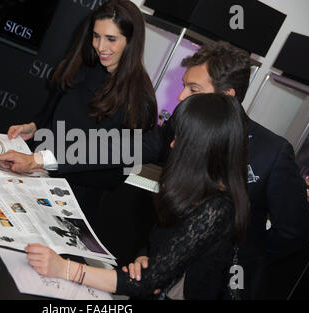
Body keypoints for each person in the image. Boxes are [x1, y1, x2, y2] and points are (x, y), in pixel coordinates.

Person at [25, 93, 250, 299]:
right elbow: (163, 243)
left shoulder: (217, 208)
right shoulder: (193, 186)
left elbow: (147, 283)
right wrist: (147, 258)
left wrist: (64, 269)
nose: (172, 144)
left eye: (181, 138)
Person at [137, 41, 309, 299]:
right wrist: (62, 153)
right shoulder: (181, 123)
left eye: (193, 88)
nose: (181, 96)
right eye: (184, 85)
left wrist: (236, 255)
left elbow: (292, 231)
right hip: (160, 269)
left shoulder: (272, 152)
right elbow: (135, 149)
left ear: (227, 96)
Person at [0, 0, 157, 223]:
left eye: (111, 39)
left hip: (71, 202)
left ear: (131, 41)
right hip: (30, 177)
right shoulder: (84, 65)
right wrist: (37, 124)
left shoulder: (139, 99)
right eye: (96, 36)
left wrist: (48, 165)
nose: (101, 47)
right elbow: (59, 101)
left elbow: (113, 174)